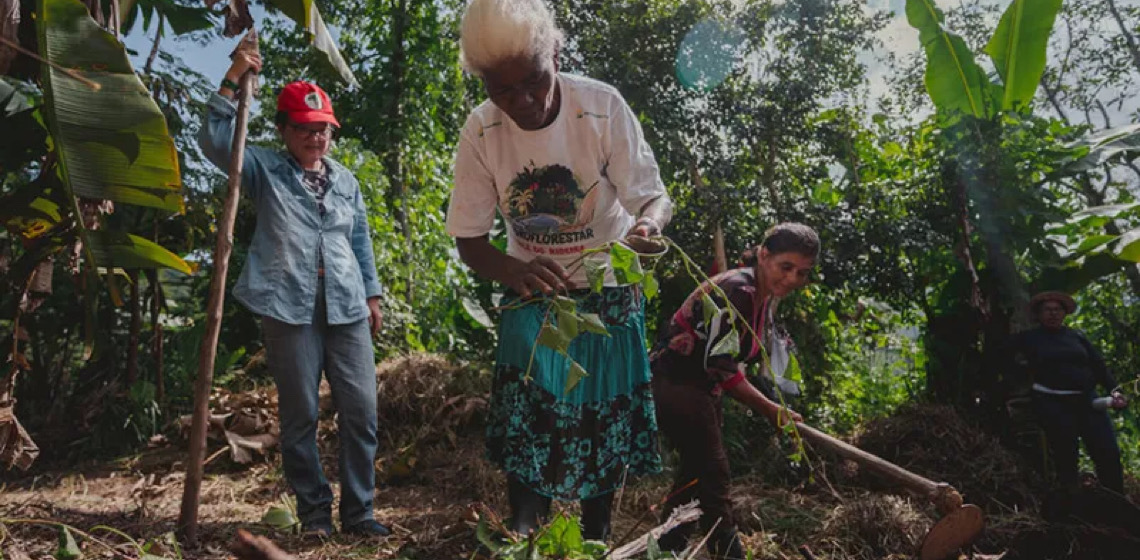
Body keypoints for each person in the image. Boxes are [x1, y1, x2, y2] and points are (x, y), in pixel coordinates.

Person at [446, 0, 673, 540]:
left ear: (555, 52)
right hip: (535, 296)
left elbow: (654, 199)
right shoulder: (481, 133)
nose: (522, 101)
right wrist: (513, 271)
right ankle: (525, 527)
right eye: (502, 91)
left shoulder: (599, 107)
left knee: (603, 412)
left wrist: (646, 230)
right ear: (482, 84)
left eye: (534, 81)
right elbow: (470, 240)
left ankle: (594, 534)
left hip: (609, 288)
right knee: (533, 409)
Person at [198, 52, 390, 538]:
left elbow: (359, 240)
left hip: (346, 307)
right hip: (289, 308)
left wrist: (372, 295)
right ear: (283, 129)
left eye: (323, 128)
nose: (316, 137)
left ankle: (360, 513)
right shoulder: (265, 168)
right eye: (305, 127)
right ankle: (315, 515)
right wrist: (232, 78)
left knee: (362, 412)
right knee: (300, 414)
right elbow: (215, 139)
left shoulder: (346, 180)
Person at [650, 223, 818, 560]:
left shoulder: (759, 293)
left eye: (802, 273)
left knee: (695, 476)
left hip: (698, 389)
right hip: (677, 385)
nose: (792, 279)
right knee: (714, 476)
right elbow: (721, 367)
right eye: (786, 267)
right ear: (764, 254)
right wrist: (772, 409)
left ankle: (665, 550)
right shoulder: (739, 290)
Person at [1005, 291, 1128, 494]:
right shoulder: (1029, 338)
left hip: (1089, 401)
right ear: (1039, 314)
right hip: (1052, 403)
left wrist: (1115, 391)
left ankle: (1116, 502)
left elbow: (1099, 367)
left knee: (1107, 452)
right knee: (1066, 454)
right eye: (1047, 310)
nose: (1052, 314)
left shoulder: (1077, 337)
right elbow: (1003, 356)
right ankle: (1072, 507)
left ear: (1064, 313)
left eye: (1057, 309)